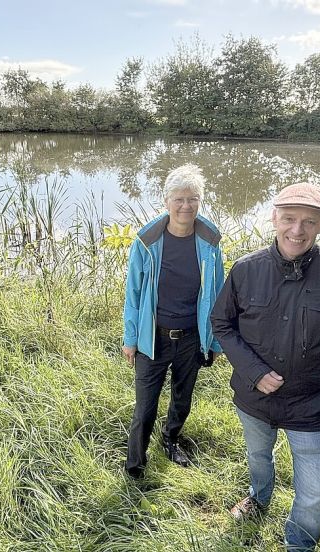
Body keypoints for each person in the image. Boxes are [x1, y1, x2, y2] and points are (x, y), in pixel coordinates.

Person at [211, 182, 320, 551]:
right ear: (274, 217)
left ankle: (298, 544)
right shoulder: (246, 269)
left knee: (314, 494)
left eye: (308, 222)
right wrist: (253, 371)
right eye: (289, 219)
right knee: (258, 456)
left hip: (312, 404)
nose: (297, 230)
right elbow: (222, 323)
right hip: (253, 398)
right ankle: (259, 497)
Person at [123, 164, 225, 479]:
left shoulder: (210, 240)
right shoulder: (146, 240)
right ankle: (135, 464)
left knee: (183, 397)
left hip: (192, 336)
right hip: (152, 336)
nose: (186, 206)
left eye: (192, 199)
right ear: (166, 201)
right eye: (179, 199)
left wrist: (215, 340)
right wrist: (130, 338)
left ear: (200, 201)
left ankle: (170, 438)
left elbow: (219, 292)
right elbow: (133, 293)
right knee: (145, 407)